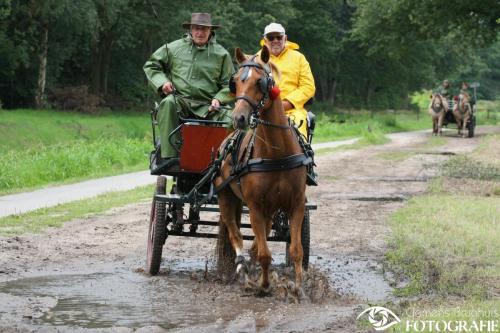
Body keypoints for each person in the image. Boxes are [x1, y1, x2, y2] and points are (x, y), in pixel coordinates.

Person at [143, 13, 234, 172]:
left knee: (234, 118)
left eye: (204, 29)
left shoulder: (222, 54)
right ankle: (171, 158)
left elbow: (231, 85)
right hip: (181, 102)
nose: (200, 32)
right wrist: (162, 82)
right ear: (191, 29)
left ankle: (227, 159)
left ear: (210, 31)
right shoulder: (173, 47)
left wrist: (219, 99)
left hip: (210, 107)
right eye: (197, 29)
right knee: (168, 103)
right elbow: (151, 66)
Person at [259, 23, 316, 139]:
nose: (275, 40)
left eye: (279, 37)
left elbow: (308, 86)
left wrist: (288, 103)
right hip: (262, 111)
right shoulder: (256, 59)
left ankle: (301, 156)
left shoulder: (299, 58)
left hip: (292, 111)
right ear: (265, 40)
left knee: (298, 129)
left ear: (285, 38)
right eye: (271, 37)